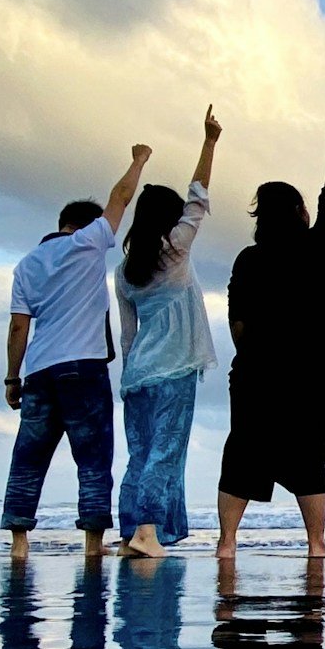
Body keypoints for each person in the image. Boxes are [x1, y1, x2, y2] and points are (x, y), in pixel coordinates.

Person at [216, 99, 325, 559]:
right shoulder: (317, 247)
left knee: (242, 452)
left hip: (255, 369)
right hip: (310, 373)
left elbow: (236, 323)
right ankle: (316, 544)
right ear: (298, 211)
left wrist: (256, 350)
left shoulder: (246, 259)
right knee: (309, 453)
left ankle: (227, 542)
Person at [2, 143, 151, 560]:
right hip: (83, 367)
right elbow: (121, 197)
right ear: (86, 226)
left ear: (60, 223)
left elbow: (18, 327)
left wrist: (12, 377)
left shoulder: (26, 265)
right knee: (92, 456)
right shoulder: (88, 243)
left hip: (39, 370)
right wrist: (138, 160)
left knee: (29, 458)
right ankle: (91, 544)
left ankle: (19, 544)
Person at [111, 110, 222, 558]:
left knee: (139, 455)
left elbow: (126, 336)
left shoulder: (123, 271)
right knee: (166, 452)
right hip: (173, 369)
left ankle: (131, 531)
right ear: (167, 220)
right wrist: (210, 142)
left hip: (137, 374)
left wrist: (127, 375)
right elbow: (199, 199)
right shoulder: (174, 250)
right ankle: (148, 532)